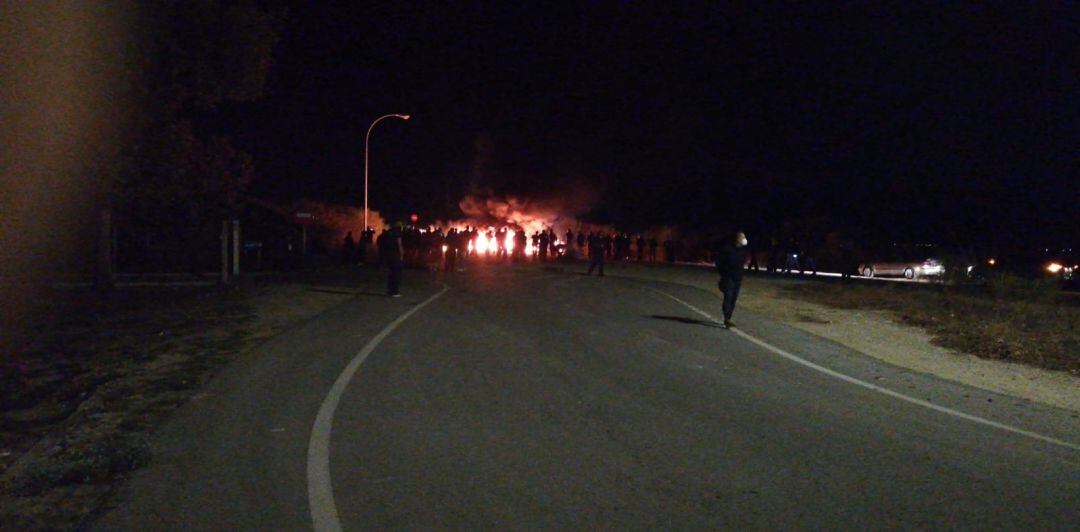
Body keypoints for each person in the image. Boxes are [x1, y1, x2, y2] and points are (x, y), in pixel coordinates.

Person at [716, 231, 749, 328]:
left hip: (737, 278)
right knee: (728, 297)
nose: (744, 239)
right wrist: (723, 274)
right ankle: (727, 318)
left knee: (733, 299)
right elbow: (719, 262)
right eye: (742, 237)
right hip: (728, 277)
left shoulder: (742, 250)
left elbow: (742, 263)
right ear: (737, 239)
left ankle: (728, 317)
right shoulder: (727, 249)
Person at [384, 222, 405, 297]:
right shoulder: (397, 233)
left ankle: (390, 290)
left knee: (391, 273)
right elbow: (399, 244)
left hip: (389, 255)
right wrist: (402, 253)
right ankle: (395, 291)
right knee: (396, 273)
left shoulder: (388, 232)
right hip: (395, 255)